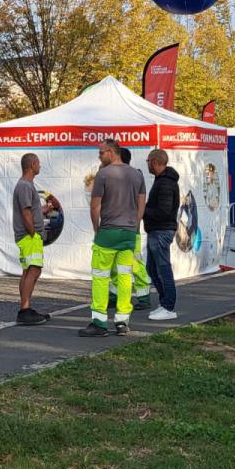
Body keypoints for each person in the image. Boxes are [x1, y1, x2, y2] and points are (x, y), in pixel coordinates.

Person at [79, 138, 145, 338]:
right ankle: (122, 322)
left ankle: (99, 322)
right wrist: (134, 225)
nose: (99, 156)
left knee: (100, 276)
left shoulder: (103, 174)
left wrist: (96, 228)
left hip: (108, 231)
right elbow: (141, 203)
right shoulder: (136, 174)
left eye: (101, 153)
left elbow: (95, 205)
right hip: (128, 233)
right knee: (125, 277)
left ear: (111, 152)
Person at [13, 152, 59, 326]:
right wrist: (33, 233)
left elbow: (31, 210)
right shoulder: (25, 185)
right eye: (38, 163)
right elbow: (25, 212)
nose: (40, 166)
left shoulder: (26, 185)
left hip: (28, 236)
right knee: (34, 270)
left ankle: (26, 308)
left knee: (28, 271)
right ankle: (24, 310)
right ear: (32, 164)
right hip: (29, 237)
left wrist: (44, 210)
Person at [111, 148, 152, 311]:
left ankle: (143, 296)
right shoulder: (119, 176)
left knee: (134, 262)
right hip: (116, 227)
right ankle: (114, 296)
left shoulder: (133, 177)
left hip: (128, 227)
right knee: (114, 264)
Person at [143, 148, 180, 321]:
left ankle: (169, 306)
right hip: (157, 230)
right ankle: (165, 302)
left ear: (155, 162)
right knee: (151, 267)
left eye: (148, 161)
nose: (147, 164)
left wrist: (143, 210)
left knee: (162, 268)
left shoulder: (165, 183)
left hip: (161, 230)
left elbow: (164, 211)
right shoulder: (162, 180)